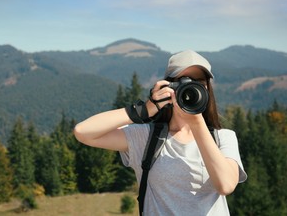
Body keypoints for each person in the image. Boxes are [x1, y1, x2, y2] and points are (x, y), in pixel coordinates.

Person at [74, 50, 247, 215]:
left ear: (208, 90)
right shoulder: (146, 137)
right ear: (169, 87)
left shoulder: (223, 137)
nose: (191, 88)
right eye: (184, 81)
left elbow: (225, 185)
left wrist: (196, 122)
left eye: (199, 82)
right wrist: (144, 110)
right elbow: (83, 132)